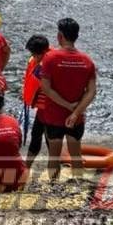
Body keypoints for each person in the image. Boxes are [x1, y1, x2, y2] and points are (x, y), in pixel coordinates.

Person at [38, 18, 98, 182]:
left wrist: (67, 105)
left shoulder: (50, 58)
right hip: (76, 118)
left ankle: (53, 187)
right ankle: (78, 185)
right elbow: (91, 91)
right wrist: (75, 111)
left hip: (53, 116)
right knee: (76, 155)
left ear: (60, 36)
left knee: (54, 156)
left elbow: (46, 89)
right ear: (76, 36)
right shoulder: (87, 61)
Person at [23, 35, 51, 169]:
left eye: (35, 54)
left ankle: (28, 166)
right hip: (43, 109)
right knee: (38, 135)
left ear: (43, 52)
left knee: (45, 138)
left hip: (50, 109)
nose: (33, 57)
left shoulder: (46, 65)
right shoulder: (41, 62)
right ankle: (27, 165)